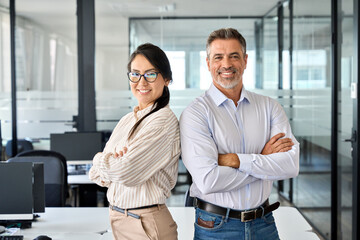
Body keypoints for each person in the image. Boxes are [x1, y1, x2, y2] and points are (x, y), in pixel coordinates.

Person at [179, 28, 299, 240]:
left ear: (245, 61)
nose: (226, 64)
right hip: (215, 226)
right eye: (218, 57)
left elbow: (290, 164)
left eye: (234, 56)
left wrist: (234, 160)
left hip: (264, 223)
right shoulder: (196, 113)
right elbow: (208, 180)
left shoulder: (269, 107)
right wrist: (263, 160)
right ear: (208, 63)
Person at [89, 43, 180, 240]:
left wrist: (100, 158)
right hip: (120, 218)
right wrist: (112, 164)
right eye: (135, 74)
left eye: (150, 74)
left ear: (166, 79)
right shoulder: (128, 120)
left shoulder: (163, 121)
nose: (141, 82)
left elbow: (126, 173)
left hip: (145, 222)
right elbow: (96, 176)